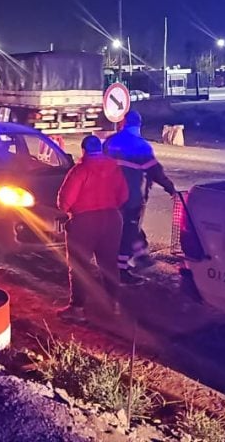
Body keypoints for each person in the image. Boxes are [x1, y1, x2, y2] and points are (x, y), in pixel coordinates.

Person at [56, 135, 129, 324]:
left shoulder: (80, 171)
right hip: (112, 219)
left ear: (83, 151)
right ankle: (114, 305)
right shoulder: (114, 168)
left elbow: (64, 202)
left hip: (84, 223)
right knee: (109, 264)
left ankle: (77, 309)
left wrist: (72, 210)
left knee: (79, 264)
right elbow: (124, 195)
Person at [105, 110, 177, 284]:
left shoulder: (110, 142)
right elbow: (155, 171)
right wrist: (170, 188)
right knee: (128, 231)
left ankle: (137, 254)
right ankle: (121, 270)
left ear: (123, 123)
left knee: (118, 230)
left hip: (109, 197)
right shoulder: (141, 146)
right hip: (132, 197)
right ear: (139, 125)